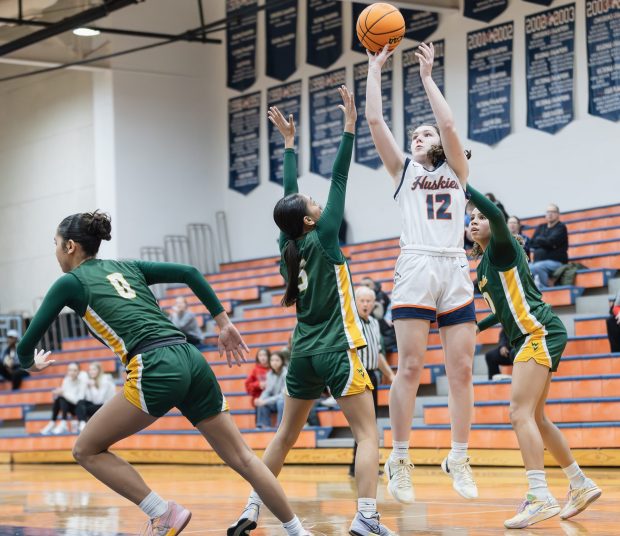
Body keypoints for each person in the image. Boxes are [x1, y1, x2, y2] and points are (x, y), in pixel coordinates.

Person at [15, 211, 312, 536]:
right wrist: (223, 322)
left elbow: (25, 345)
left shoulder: (70, 282)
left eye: (56, 244)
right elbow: (189, 271)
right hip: (190, 358)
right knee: (243, 457)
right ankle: (298, 531)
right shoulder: (127, 267)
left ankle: (161, 512)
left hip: (154, 364)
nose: (55, 251)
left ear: (70, 246)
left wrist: (30, 363)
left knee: (85, 449)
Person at [229, 88, 395, 536]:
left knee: (283, 437)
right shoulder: (323, 236)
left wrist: (288, 145)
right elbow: (339, 178)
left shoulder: (287, 243)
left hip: (301, 350)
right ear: (309, 221)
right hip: (339, 347)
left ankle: (250, 507)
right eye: (314, 208)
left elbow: (288, 199)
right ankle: (366, 518)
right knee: (367, 434)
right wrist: (349, 127)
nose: (320, 206)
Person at [366, 42, 478, 503]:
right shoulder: (403, 172)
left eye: (425, 133)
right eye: (415, 134)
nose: (419, 136)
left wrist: (428, 78)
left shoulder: (458, 169)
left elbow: (449, 123)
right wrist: (375, 68)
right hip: (415, 262)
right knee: (410, 366)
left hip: (453, 264)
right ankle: (399, 457)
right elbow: (375, 121)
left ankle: (458, 455)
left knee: (463, 370)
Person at [468, 184, 602, 529]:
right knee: (537, 418)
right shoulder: (484, 266)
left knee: (518, 413)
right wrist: (480, 326)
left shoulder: (501, 247)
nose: (474, 220)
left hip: (538, 332)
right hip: (535, 333)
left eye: (480, 216)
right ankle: (580, 483)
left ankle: (539, 496)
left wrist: (462, 182)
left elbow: (497, 214)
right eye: (470, 217)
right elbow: (506, 309)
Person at [349, 286, 395, 477]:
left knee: (370, 423)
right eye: (363, 301)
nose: (366, 304)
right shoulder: (350, 322)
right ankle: (359, 466)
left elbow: (377, 354)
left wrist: (391, 375)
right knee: (363, 425)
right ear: (356, 302)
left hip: (372, 375)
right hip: (357, 375)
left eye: (370, 301)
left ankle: (362, 466)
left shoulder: (375, 323)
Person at [40, 362, 86, 435]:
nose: (72, 372)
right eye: (70, 370)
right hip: (67, 406)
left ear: (78, 371)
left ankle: (62, 422)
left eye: (75, 370)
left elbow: (78, 400)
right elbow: (66, 395)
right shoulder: (66, 380)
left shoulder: (82, 382)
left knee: (63, 397)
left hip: (78, 408)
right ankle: (54, 422)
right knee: (59, 398)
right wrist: (59, 393)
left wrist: (63, 393)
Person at [529, 204, 569, 288]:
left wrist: (539, 240)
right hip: (537, 261)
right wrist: (544, 241)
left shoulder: (561, 227)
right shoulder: (541, 227)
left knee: (538, 267)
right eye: (548, 212)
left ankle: (545, 289)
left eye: (553, 212)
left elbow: (552, 242)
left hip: (556, 262)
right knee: (525, 267)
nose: (550, 214)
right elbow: (532, 243)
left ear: (558, 214)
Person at [76, 362, 116, 432]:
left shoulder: (105, 380)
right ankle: (82, 423)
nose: (91, 372)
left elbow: (98, 401)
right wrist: (85, 385)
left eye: (94, 369)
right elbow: (83, 398)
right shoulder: (91, 380)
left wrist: (92, 387)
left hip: (106, 407)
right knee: (80, 403)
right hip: (97, 406)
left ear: (99, 370)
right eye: (90, 370)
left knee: (83, 409)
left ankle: (83, 424)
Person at [255, 352, 287, 429]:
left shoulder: (286, 373)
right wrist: (261, 399)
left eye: (277, 360)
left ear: (282, 361)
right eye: (272, 360)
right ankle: (264, 426)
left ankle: (281, 427)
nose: (274, 362)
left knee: (280, 402)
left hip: (286, 402)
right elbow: (267, 390)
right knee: (261, 401)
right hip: (275, 401)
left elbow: (283, 395)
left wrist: (265, 401)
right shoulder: (269, 374)